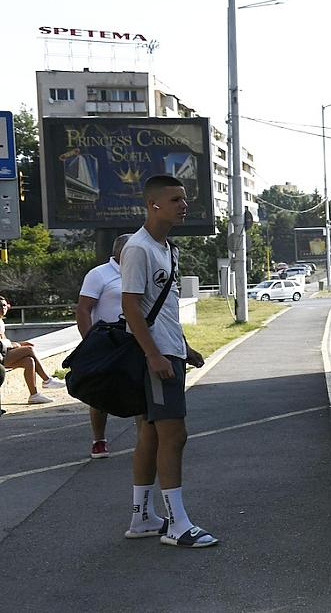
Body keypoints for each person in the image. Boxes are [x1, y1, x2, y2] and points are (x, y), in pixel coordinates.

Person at [120, 175, 215, 548]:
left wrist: (183, 346)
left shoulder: (168, 249)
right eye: (175, 199)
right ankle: (176, 525)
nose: (183, 204)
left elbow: (164, 307)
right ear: (152, 204)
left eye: (185, 199)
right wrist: (154, 354)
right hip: (155, 358)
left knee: (149, 434)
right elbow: (130, 306)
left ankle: (142, 517)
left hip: (169, 352)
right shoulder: (139, 248)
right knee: (174, 435)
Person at [75, 233, 133, 459]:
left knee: (140, 386)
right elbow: (83, 309)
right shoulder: (99, 274)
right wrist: (89, 341)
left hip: (134, 338)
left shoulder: (139, 272)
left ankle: (146, 436)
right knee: (101, 392)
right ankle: (99, 440)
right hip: (106, 341)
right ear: (120, 252)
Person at [0, 295, 65, 404]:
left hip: (4, 354)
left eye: (4, 305)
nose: (3, 308)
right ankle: (47, 380)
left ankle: (34, 395)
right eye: (0, 306)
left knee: (29, 361)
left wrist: (19, 344)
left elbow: (5, 340)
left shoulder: (1, 322)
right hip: (1, 357)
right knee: (29, 349)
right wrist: (16, 345)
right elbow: (2, 343)